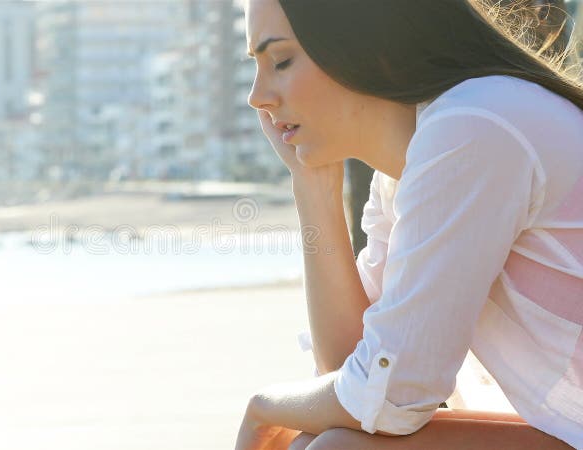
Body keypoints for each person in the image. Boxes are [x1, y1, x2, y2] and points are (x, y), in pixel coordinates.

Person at [235, 0, 583, 449]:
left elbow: (389, 393)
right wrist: (312, 186)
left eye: (280, 60)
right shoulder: (408, 170)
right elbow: (352, 371)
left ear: (364, 42)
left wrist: (264, 405)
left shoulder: (477, 123)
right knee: (326, 442)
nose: (257, 96)